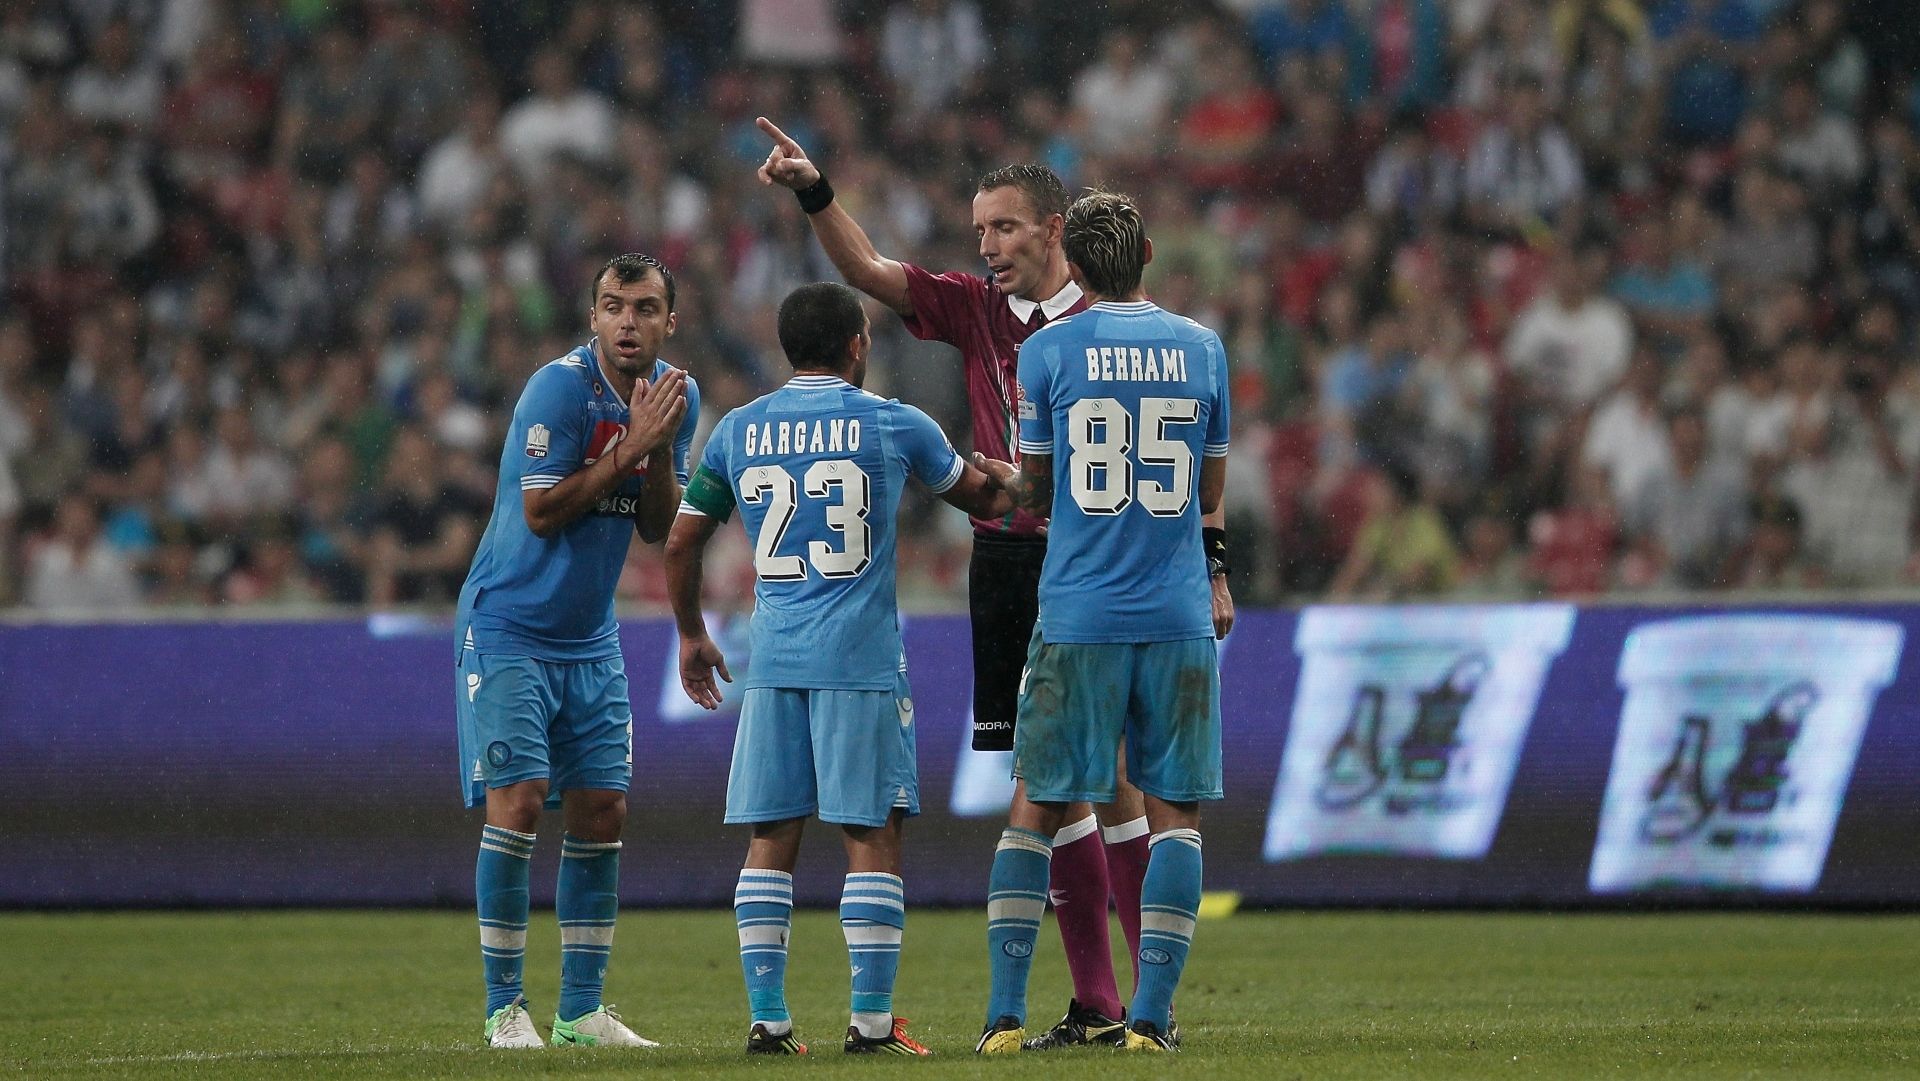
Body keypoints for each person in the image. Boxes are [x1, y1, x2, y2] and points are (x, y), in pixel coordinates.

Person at [756, 115, 1235, 1048]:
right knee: (1065, 786)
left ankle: (1128, 999)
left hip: (1087, 565)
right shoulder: (977, 309)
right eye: (979, 231)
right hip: (1011, 564)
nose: (988, 247)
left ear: (1055, 229)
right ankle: (1109, 1000)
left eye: (1005, 228)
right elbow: (869, 272)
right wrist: (816, 190)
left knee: (1107, 783)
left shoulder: (1100, 327)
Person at [666, 282, 1010, 1056]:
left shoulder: (740, 431)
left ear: (790, 347)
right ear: (858, 344)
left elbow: (682, 541)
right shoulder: (893, 422)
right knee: (871, 832)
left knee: (771, 833)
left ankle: (768, 1020)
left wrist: (691, 631)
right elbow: (983, 499)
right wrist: (1025, 475)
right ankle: (871, 1024)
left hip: (775, 657)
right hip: (858, 660)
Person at [972, 190, 1230, 1053]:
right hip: (1177, 609)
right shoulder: (1203, 349)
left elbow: (1036, 490)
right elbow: (1209, 492)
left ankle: (1004, 1020)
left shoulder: (1046, 351)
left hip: (1079, 609)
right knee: (1175, 815)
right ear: (1149, 251)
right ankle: (1150, 1023)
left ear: (1073, 265)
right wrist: (1218, 577)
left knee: (1038, 804)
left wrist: (995, 478)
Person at [453, 253, 698, 1050]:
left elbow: (658, 527)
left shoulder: (677, 397)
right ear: (593, 317)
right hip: (510, 626)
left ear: (670, 319)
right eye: (613, 306)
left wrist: (657, 446)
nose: (628, 321)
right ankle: (503, 1009)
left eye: (645, 307)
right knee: (520, 799)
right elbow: (541, 512)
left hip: (590, 638)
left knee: (603, 808)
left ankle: (581, 1011)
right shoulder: (556, 390)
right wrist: (628, 449)